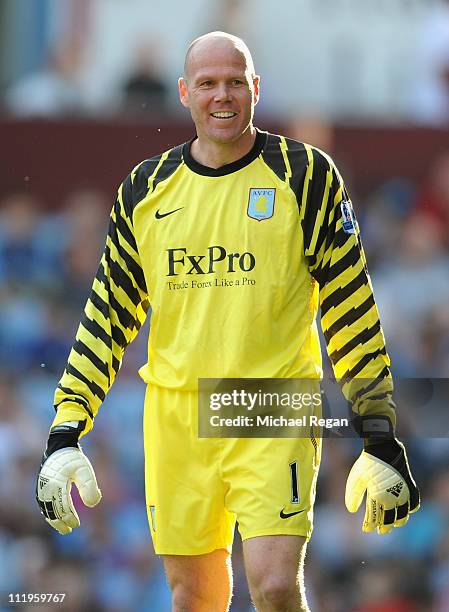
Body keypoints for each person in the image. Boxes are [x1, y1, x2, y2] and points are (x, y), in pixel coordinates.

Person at [36, 32, 420, 611]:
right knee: (194, 597)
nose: (223, 96)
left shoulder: (306, 175)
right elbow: (108, 313)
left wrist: (378, 430)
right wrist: (66, 430)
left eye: (235, 82)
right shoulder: (144, 188)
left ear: (256, 90)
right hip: (177, 414)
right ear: (186, 93)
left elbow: (350, 306)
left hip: (272, 401)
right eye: (209, 84)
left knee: (271, 583)